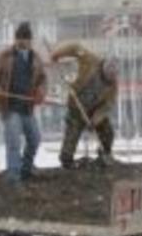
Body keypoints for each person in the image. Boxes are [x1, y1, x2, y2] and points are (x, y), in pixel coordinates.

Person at [0, 22, 47, 183]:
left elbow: (42, 79)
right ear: (15, 39)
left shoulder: (36, 58)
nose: (22, 42)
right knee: (13, 140)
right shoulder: (5, 57)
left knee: (35, 139)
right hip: (10, 107)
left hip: (27, 108)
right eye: (19, 38)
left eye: (25, 39)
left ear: (30, 40)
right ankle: (14, 175)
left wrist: (40, 92)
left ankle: (26, 169)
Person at [50, 41, 118, 169]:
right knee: (72, 134)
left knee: (108, 131)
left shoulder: (113, 85)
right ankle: (66, 160)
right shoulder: (90, 60)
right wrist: (57, 54)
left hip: (94, 110)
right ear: (104, 67)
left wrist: (96, 118)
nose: (109, 79)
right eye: (108, 75)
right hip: (77, 105)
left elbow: (108, 105)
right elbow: (75, 47)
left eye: (112, 77)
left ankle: (105, 154)